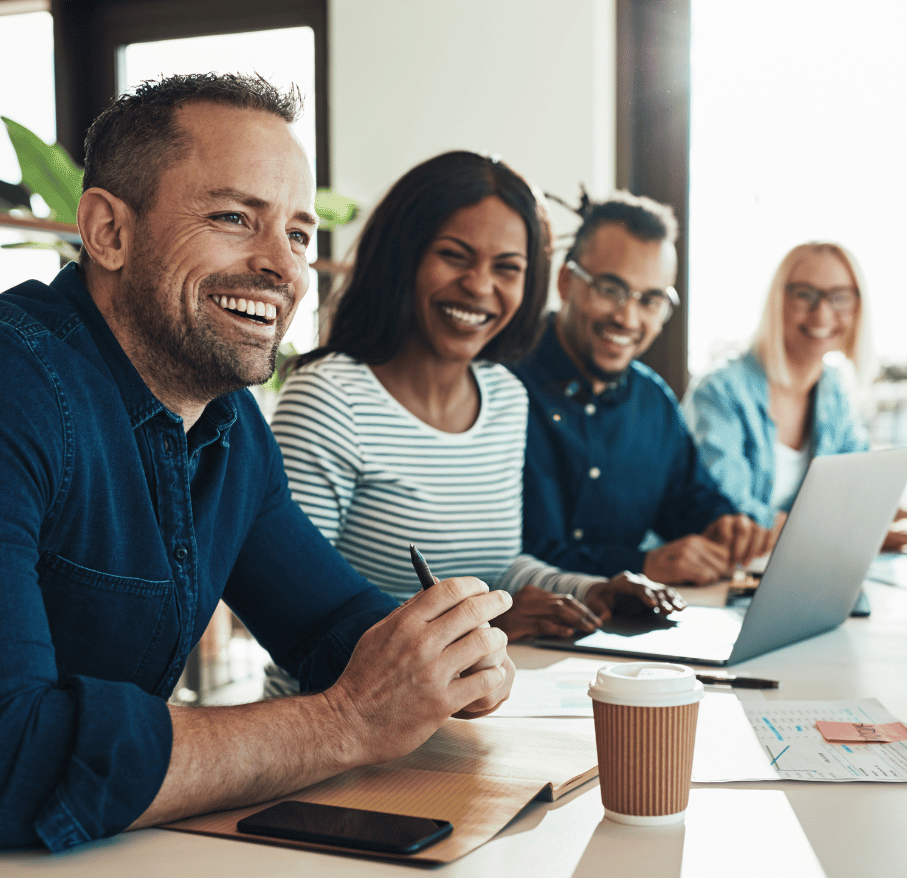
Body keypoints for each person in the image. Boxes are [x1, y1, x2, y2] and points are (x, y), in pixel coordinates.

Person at [0, 74, 515, 854]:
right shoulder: (1, 383)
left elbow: (329, 624)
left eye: (297, 234)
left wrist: (442, 655)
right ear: (106, 231)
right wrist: (348, 721)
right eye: (234, 218)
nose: (283, 268)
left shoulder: (229, 424)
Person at [267, 152, 684, 688]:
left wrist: (591, 589)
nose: (480, 285)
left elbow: (499, 568)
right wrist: (483, 626)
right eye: (454, 256)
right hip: (338, 726)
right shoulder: (330, 397)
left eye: (506, 267)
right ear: (404, 258)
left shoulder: (505, 396)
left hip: (466, 712)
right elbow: (296, 612)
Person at [513, 192, 777, 586]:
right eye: (610, 290)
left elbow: (689, 499)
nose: (627, 318)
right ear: (566, 281)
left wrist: (722, 525)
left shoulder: (653, 402)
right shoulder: (502, 388)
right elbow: (507, 558)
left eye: (651, 300)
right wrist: (640, 565)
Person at [683, 241, 907, 548]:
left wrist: (881, 517)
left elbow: (856, 489)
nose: (822, 313)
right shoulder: (720, 391)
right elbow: (728, 509)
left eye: (840, 297)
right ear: (779, 300)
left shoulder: (834, 391)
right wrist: (845, 532)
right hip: (715, 576)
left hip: (794, 568)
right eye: (805, 294)